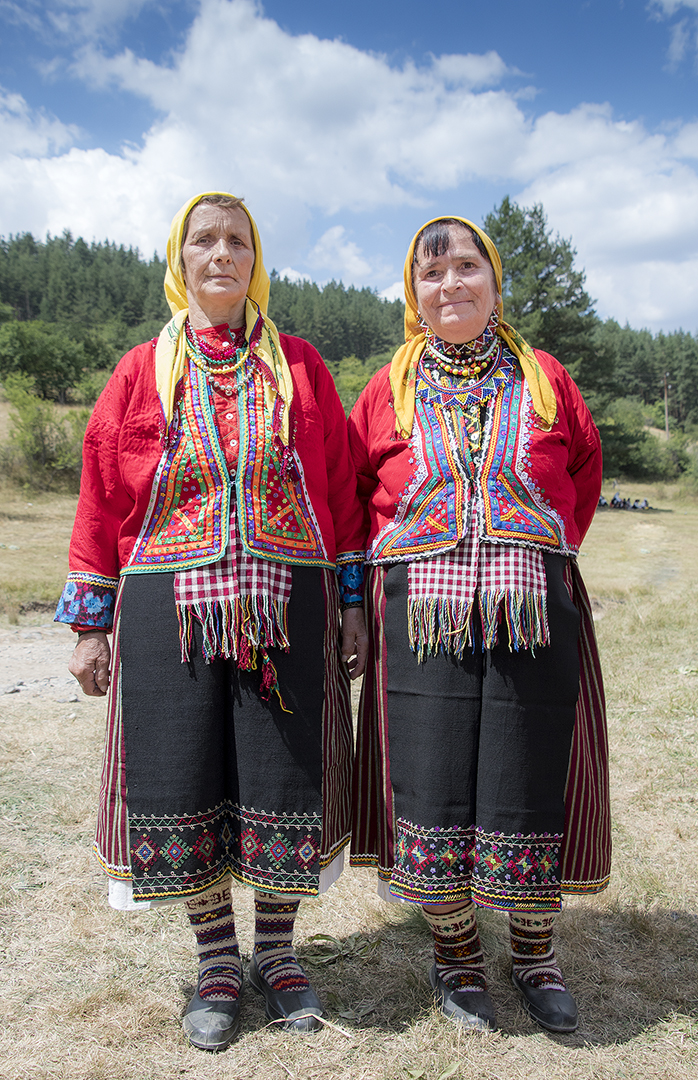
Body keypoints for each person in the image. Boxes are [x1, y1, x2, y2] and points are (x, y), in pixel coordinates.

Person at [56, 192, 367, 1051]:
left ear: (255, 260)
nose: (221, 253)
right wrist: (89, 625)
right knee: (183, 778)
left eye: (237, 240)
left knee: (281, 778)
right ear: (181, 259)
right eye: (205, 240)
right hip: (167, 610)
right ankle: (218, 960)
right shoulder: (138, 372)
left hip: (287, 601)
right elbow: (100, 494)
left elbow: (341, 485)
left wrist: (350, 602)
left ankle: (278, 952)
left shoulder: (299, 366)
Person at [348, 217, 610, 1034]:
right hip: (418, 614)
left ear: (495, 284)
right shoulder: (385, 389)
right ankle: (456, 952)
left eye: (467, 266)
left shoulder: (545, 378)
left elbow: (583, 472)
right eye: (432, 274)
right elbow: (353, 493)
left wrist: (538, 551)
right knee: (430, 779)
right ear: (413, 294)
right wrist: (358, 599)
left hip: (530, 605)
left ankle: (534, 951)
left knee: (527, 772)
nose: (450, 283)